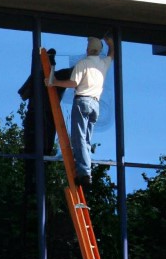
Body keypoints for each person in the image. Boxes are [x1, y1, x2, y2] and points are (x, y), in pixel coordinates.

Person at [45, 34, 115, 189]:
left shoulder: (82, 63)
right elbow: (112, 54)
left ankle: (84, 173)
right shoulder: (102, 64)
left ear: (88, 49)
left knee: (79, 139)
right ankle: (85, 171)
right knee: (86, 140)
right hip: (95, 105)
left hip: (82, 101)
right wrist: (111, 43)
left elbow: (73, 83)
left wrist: (54, 82)